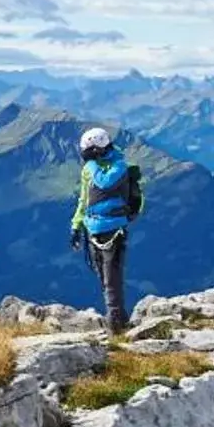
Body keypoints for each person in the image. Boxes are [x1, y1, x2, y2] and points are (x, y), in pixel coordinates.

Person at [70, 125, 143, 332]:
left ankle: (116, 325)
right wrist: (76, 225)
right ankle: (119, 317)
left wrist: (91, 164)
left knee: (112, 278)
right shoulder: (88, 169)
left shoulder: (118, 166)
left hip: (114, 230)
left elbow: (104, 183)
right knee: (103, 276)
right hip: (92, 229)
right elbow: (84, 200)